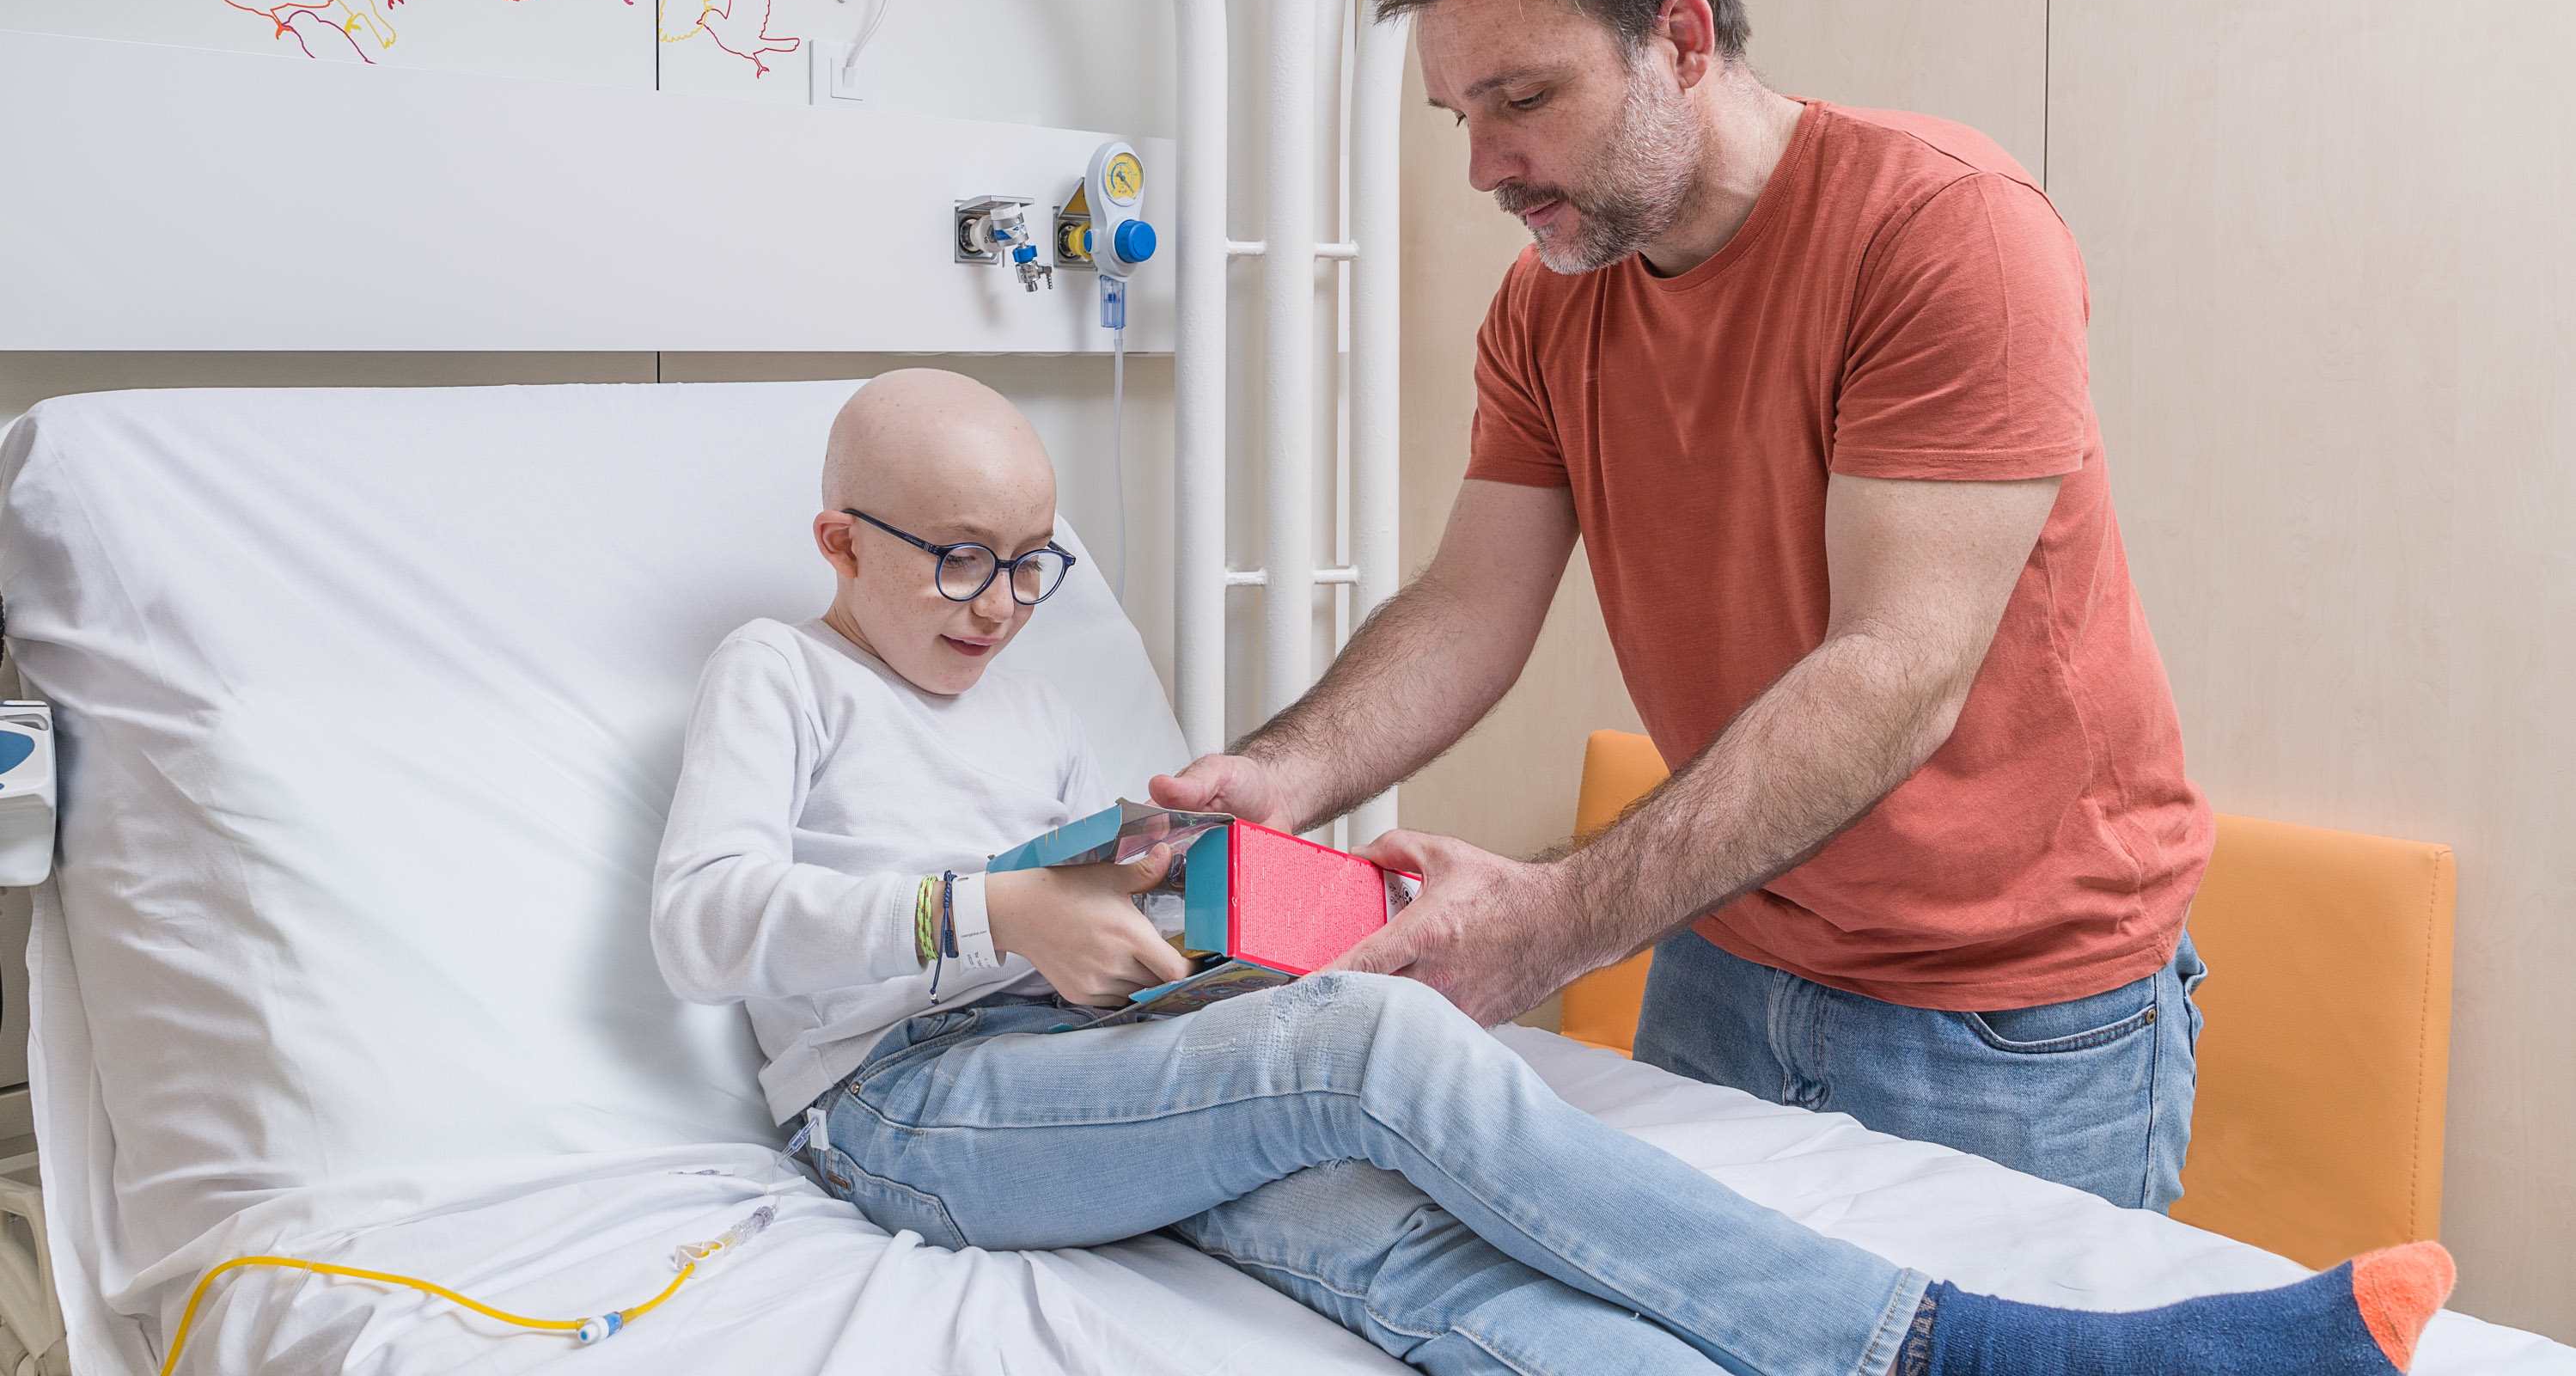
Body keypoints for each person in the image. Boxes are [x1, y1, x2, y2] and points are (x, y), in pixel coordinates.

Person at [649, 369, 2451, 1376]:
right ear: (837, 541)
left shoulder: (1023, 680)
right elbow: (702, 921)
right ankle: (1979, 1357)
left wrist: (1199, 905)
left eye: (1035, 564)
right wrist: (993, 914)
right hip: (901, 1107)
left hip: (1078, 1078)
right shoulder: (780, 674)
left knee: (1411, 1256)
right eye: (958, 561)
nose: (997, 604)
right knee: (1377, 1059)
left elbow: (1072, 917)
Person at [1152, 0, 2216, 1213]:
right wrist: (1287, 776)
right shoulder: (1549, 302)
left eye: (1522, 98)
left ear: (1683, 39)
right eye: (1459, 117)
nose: (1486, 165)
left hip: (2003, 1005)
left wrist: (1552, 923)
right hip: (1723, 941)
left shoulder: (1942, 232)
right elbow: (1471, 604)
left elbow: (1897, 670)